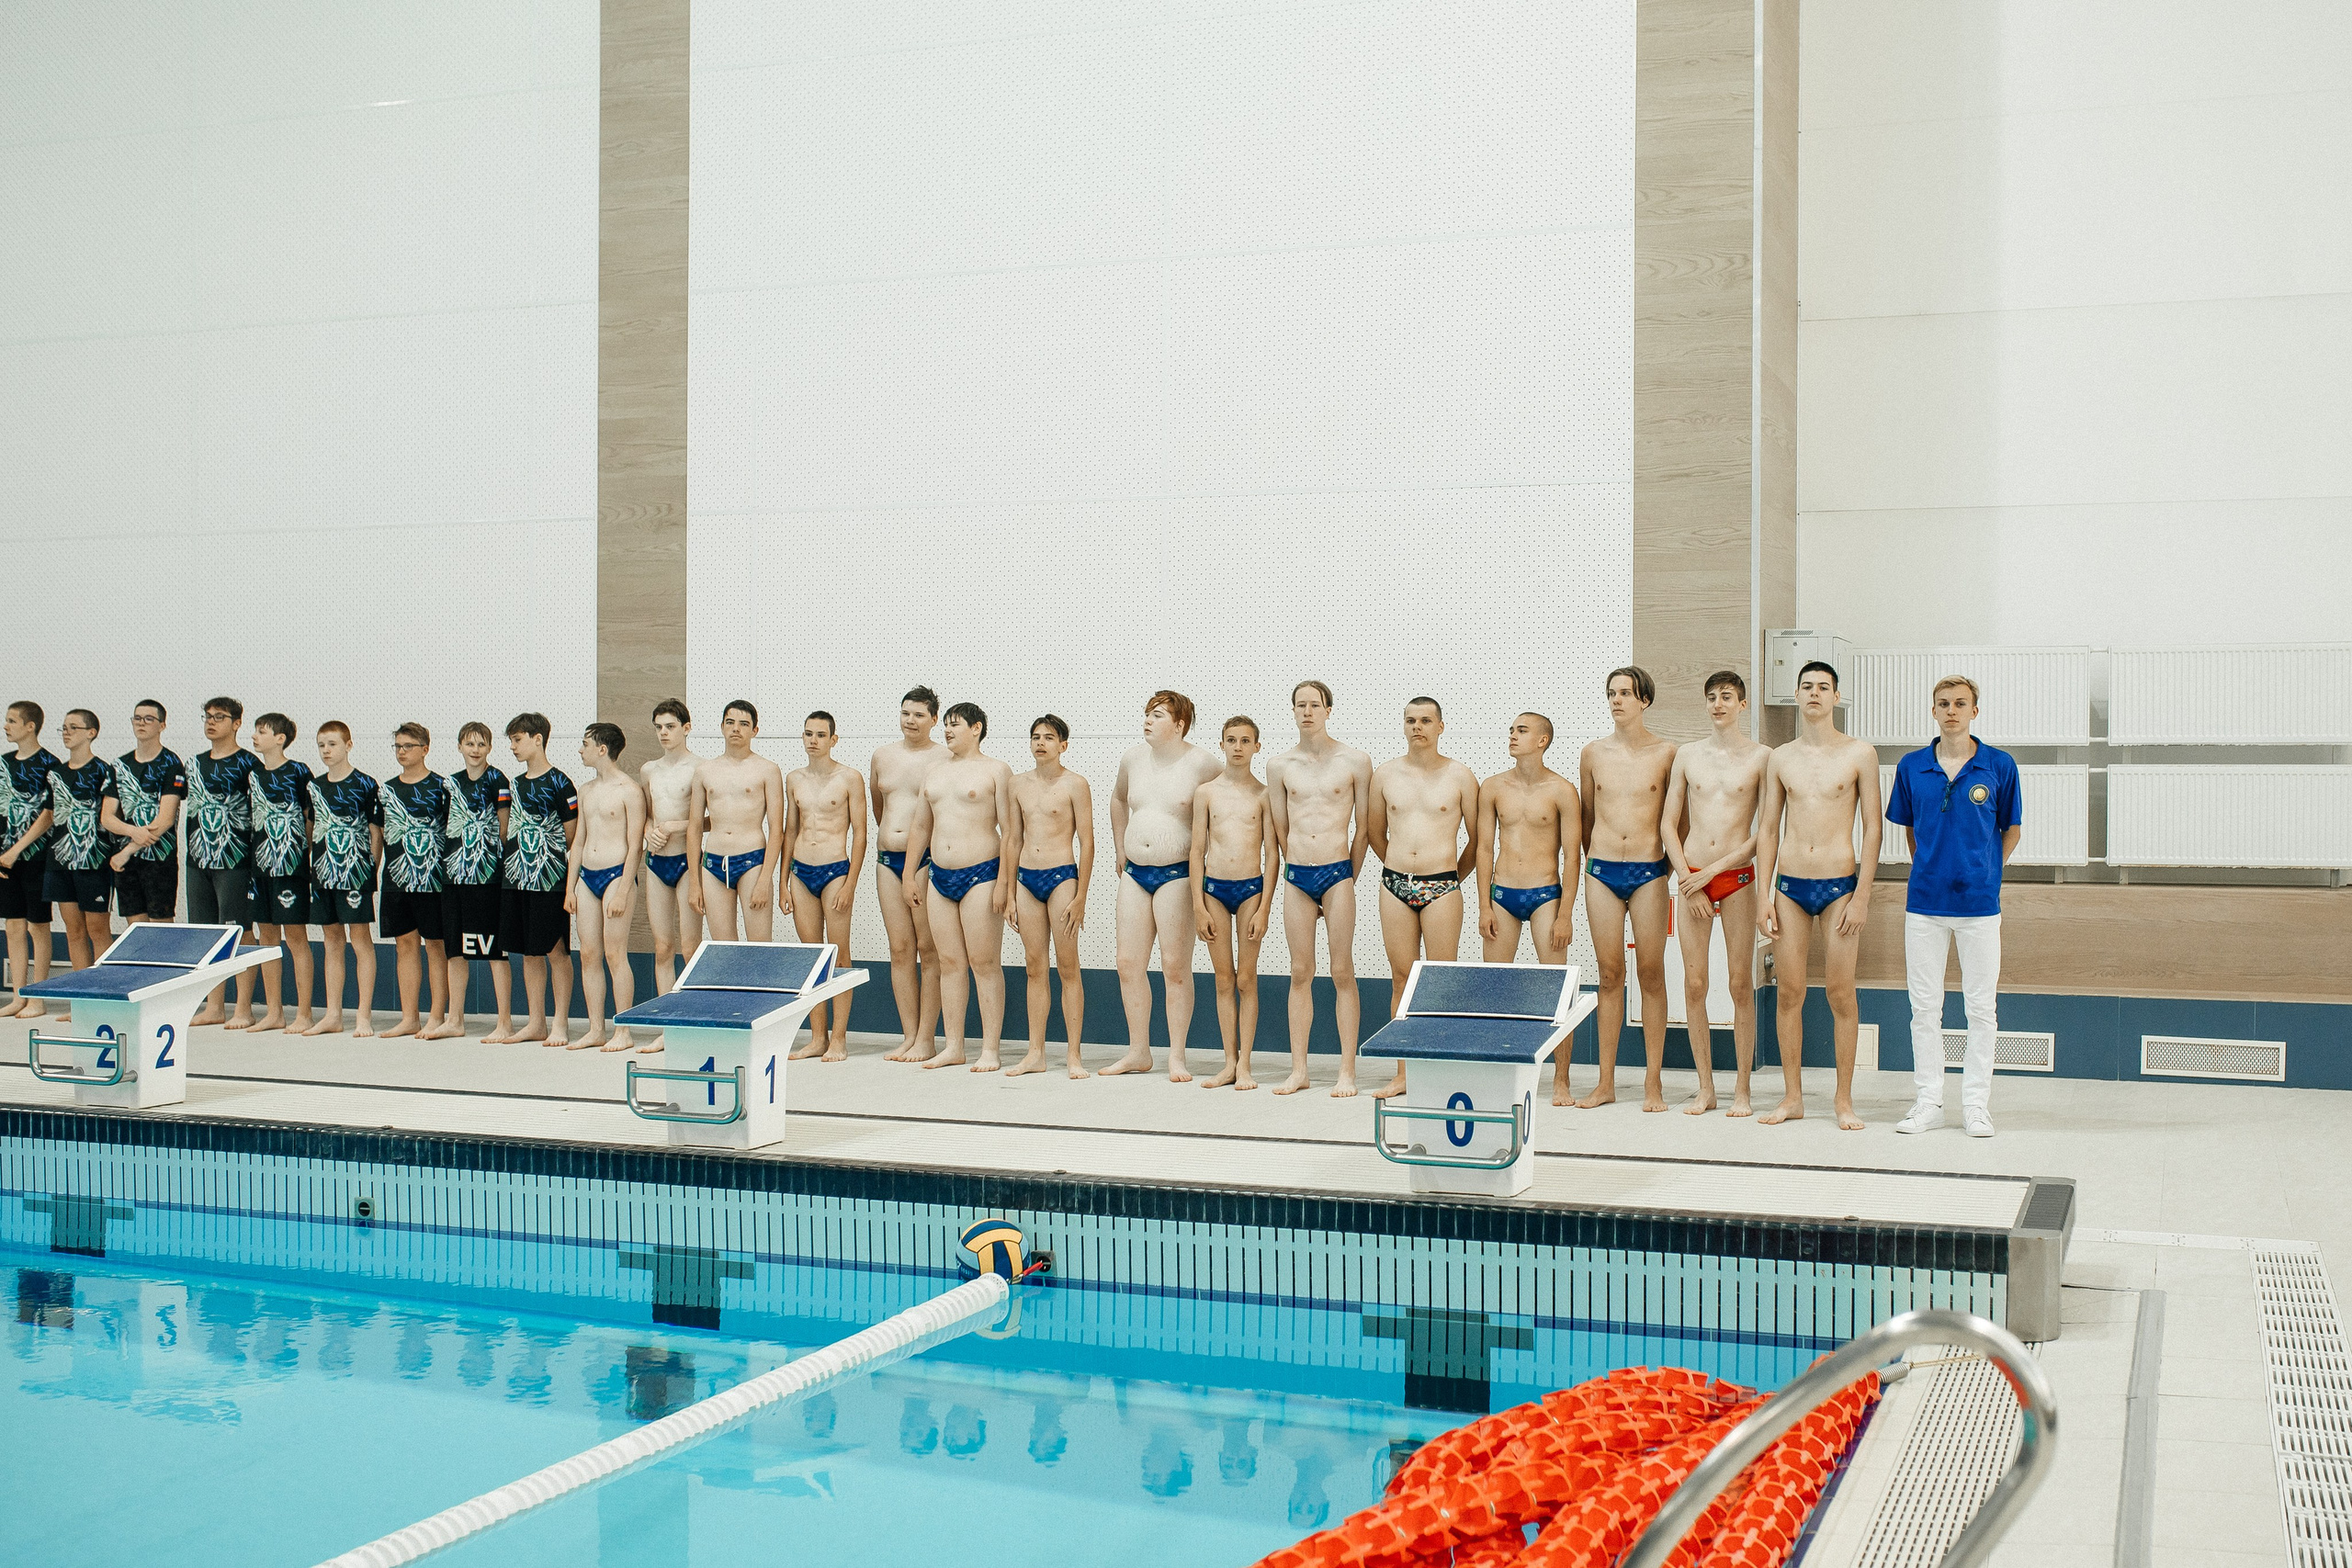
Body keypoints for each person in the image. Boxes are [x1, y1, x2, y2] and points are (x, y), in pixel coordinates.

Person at [1888, 674, 2021, 1139]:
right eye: (1943, 703)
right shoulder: (1911, 766)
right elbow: (1911, 831)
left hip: (1979, 907)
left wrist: (1988, 871)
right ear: (1933, 710)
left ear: (1974, 711)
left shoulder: (1999, 765)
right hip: (1924, 905)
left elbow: (2011, 829)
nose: (1951, 711)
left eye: (1960, 703)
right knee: (1924, 1009)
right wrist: (1932, 866)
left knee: (1981, 1009)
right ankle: (1928, 1102)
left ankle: (1975, 1105)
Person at [1755, 660, 1882, 1130]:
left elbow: (1873, 829)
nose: (1814, 693)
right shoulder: (1780, 757)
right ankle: (1792, 1097)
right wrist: (1764, 896)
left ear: (1836, 696)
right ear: (1796, 695)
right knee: (1789, 992)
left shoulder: (1859, 754)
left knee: (1840, 992)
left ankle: (1843, 1100)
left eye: (1823, 687)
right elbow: (1768, 828)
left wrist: (1862, 896)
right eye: (1806, 686)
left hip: (1839, 887)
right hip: (1789, 887)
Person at [1658, 672, 1769, 1115]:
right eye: (1711, 697)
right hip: (1692, 879)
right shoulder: (1687, 755)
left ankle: (1742, 1088)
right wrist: (1688, 880)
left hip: (1735, 876)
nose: (1718, 704)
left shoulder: (1762, 757)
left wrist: (1715, 871)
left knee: (1740, 983)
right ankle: (1705, 1088)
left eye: (1726, 697)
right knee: (1695, 983)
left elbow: (1765, 832)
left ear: (1742, 704)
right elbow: (1668, 824)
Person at [1570, 668, 1679, 1111]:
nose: (1616, 700)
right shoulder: (1593, 753)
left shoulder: (1667, 753)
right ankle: (1605, 1083)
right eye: (1611, 693)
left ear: (1645, 700)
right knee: (1609, 974)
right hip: (1602, 872)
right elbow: (1587, 818)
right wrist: (1597, 859)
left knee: (1651, 974)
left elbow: (1679, 820)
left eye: (1625, 694)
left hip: (1650, 871)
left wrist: (1664, 869)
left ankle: (1653, 1082)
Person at [1368, 698, 1481, 1100]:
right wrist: (1401, 867)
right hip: (1395, 884)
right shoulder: (1385, 774)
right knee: (1401, 977)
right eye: (1411, 720)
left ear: (1440, 727)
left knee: (1440, 981)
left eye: (1426, 721)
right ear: (1404, 725)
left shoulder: (1460, 776)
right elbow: (1374, 832)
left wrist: (1450, 877)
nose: (1418, 727)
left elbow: (1478, 840)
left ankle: (1439, 1069)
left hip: (1443, 886)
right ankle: (1403, 1072)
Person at [1105, 690, 1220, 1082]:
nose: (1148, 720)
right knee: (1128, 964)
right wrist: (1120, 848)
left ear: (1179, 724)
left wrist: (1211, 862)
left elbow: (1227, 804)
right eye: (1147, 713)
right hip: (1135, 873)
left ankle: (1177, 1056)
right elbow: (1118, 800)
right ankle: (1138, 1051)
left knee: (1175, 966)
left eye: (1157, 715)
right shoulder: (1133, 758)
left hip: (1178, 874)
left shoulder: (1203, 763)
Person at [1266, 680, 1373, 1097]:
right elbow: (1281, 828)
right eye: (1300, 705)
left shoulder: (1355, 761)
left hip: (1338, 872)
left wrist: (1348, 877)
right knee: (1300, 972)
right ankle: (1300, 1070)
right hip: (1298, 876)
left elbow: (1363, 829)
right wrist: (1295, 863)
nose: (1307, 712)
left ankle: (1347, 1070)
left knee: (1342, 970)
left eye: (1314, 705)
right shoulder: (1279, 765)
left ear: (1329, 710)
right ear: (1292, 711)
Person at [901, 702, 1019, 1072]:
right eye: (947, 725)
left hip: (982, 874)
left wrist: (1005, 884)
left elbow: (1010, 832)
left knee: (984, 963)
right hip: (939, 876)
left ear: (977, 728)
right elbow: (921, 826)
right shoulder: (934, 772)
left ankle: (990, 1049)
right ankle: (953, 1045)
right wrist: (908, 874)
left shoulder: (996, 770)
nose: (948, 731)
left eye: (955, 725)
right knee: (949, 963)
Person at [1189, 717, 1278, 1090]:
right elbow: (1196, 850)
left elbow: (1272, 855)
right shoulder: (1206, 793)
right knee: (1223, 978)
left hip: (1250, 890)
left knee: (1246, 979)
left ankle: (1246, 1065)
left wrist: (1265, 908)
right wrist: (1198, 905)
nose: (1238, 747)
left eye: (1245, 741)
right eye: (1231, 740)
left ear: (1257, 747)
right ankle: (1228, 1062)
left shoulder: (1265, 795)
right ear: (1222, 744)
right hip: (1214, 889)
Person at [1008, 715, 1093, 1079]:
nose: (1041, 743)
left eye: (1049, 738)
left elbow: (1087, 842)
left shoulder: (1075, 784)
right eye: (1035, 737)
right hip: (1026, 878)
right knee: (1034, 966)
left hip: (1062, 878)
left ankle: (1074, 1054)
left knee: (1068, 966)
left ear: (1063, 745)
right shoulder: (1017, 784)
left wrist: (1081, 896)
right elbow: (1012, 839)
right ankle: (1036, 1053)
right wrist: (1008, 892)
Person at [784, 711, 867, 1062]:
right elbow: (790, 831)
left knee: (839, 954)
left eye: (820, 735)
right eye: (808, 734)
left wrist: (850, 884)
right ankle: (818, 1037)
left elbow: (861, 834)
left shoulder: (849, 778)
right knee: (812, 956)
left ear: (834, 740)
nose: (813, 740)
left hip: (835, 871)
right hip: (801, 871)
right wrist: (782, 882)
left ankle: (839, 1038)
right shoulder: (794, 778)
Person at [871, 687, 948, 1061]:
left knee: (928, 949)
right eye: (905, 713)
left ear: (934, 719)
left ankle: (927, 1038)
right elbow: (879, 806)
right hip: (888, 859)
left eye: (919, 715)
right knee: (900, 949)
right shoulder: (882, 756)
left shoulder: (944, 757)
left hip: (926, 861)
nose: (910, 721)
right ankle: (909, 1035)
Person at [499, 712, 579, 1046]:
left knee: (555, 950)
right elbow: (507, 830)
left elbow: (571, 836)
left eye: (517, 740)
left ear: (538, 739)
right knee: (528, 952)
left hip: (549, 881)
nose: (513, 747)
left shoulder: (561, 783)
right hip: (516, 879)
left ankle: (560, 1022)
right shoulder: (514, 785)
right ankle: (536, 1022)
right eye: (511, 741)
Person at [1476, 712, 1579, 965]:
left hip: (1545, 895)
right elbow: (1484, 849)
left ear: (1542, 740)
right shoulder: (1492, 787)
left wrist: (1565, 915)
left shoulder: (1562, 790)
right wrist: (1484, 907)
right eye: (1512, 730)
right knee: (1495, 980)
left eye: (1522, 731)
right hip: (1502, 894)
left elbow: (1572, 857)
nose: (1513, 736)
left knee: (1553, 980)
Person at [567, 722, 646, 1052]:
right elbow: (579, 842)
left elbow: (636, 845)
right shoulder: (585, 790)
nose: (580, 749)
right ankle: (596, 1029)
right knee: (588, 954)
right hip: (587, 877)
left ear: (602, 749)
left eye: (585, 744)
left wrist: (624, 889)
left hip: (616, 876)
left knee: (615, 953)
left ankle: (623, 1030)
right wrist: (570, 888)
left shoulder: (630, 790)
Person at [185, 697, 262, 1027]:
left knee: (239, 931)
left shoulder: (249, 764)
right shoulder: (193, 764)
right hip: (197, 859)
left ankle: (243, 1007)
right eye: (207, 716)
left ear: (237, 723)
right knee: (206, 935)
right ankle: (214, 1006)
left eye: (219, 717)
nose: (211, 722)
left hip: (235, 860)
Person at [301, 721, 379, 1037]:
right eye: (321, 745)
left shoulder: (365, 784)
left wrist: (370, 872)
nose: (326, 750)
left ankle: (363, 1015)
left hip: (355, 875)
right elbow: (310, 831)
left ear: (348, 745)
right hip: (323, 874)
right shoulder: (314, 787)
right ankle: (333, 1014)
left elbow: (375, 834)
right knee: (332, 940)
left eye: (332, 744)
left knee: (360, 940)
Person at [686, 700, 785, 943]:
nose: (736, 729)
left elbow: (777, 830)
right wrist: (694, 883)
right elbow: (695, 827)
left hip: (752, 862)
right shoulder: (705, 771)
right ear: (722, 727)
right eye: (730, 722)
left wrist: (765, 879)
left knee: (760, 946)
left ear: (754, 730)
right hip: (713, 864)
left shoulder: (768, 770)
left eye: (743, 724)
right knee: (723, 947)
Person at [244, 714, 317, 1032]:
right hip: (260, 867)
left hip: (291, 867)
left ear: (280, 738)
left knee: (296, 937)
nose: (255, 736)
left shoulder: (299, 772)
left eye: (261, 732)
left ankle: (304, 1013)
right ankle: (274, 1012)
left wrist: (302, 851)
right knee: (267, 937)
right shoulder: (253, 775)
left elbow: (311, 816)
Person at [379, 722, 453, 1039]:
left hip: (433, 881)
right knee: (405, 945)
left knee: (436, 946)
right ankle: (409, 1017)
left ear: (425, 749)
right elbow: (380, 833)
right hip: (397, 880)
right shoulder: (386, 791)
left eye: (408, 746)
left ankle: (437, 1016)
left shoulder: (442, 787)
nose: (402, 752)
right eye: (397, 746)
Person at [440, 721, 512, 1041]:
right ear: (459, 746)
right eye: (469, 744)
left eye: (481, 744)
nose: (475, 750)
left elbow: (504, 830)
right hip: (455, 878)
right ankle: (455, 1019)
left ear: (490, 748)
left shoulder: (498, 780)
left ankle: (505, 1022)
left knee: (495, 951)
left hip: (488, 880)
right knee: (455, 951)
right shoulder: (450, 784)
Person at [43, 709, 117, 992]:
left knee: (97, 929)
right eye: (63, 727)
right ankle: (81, 996)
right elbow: (50, 815)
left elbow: (111, 815)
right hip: (60, 861)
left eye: (73, 727)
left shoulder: (104, 771)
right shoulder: (56, 774)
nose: (66, 732)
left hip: (94, 862)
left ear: (91, 733)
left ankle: (103, 993)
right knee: (73, 930)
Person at [102, 699, 184, 926]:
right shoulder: (120, 765)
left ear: (162, 725)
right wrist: (132, 832)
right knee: (136, 927)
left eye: (149, 719)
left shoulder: (171, 763)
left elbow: (166, 819)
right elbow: (107, 817)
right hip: (125, 858)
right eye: (137, 718)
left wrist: (130, 849)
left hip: (159, 858)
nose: (141, 723)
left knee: (160, 926)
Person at [639, 698, 701, 997]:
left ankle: (695, 1013)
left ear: (686, 728)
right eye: (659, 727)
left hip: (687, 861)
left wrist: (677, 825)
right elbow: (647, 813)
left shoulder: (700, 768)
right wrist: (649, 832)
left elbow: (712, 820)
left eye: (670, 727)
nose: (663, 733)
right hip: (657, 861)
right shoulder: (649, 770)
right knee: (663, 947)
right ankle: (666, 1014)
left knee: (690, 947)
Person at [0, 702, 59, 1017]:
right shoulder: (4, 763)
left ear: (30, 726)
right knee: (13, 925)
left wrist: (17, 849)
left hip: (36, 856)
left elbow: (48, 815)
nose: (6, 726)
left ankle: (37, 996)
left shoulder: (50, 764)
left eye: (12, 721)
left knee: (38, 925)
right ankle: (18, 995)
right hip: (5, 857)